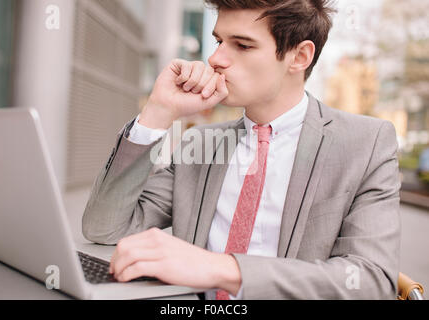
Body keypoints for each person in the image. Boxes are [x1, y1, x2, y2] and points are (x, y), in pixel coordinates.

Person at [82, 0, 401, 299]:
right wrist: (159, 111)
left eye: (243, 45)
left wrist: (220, 269)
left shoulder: (366, 143)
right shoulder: (202, 143)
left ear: (299, 56)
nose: (216, 58)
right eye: (219, 40)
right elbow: (104, 228)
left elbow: (370, 280)